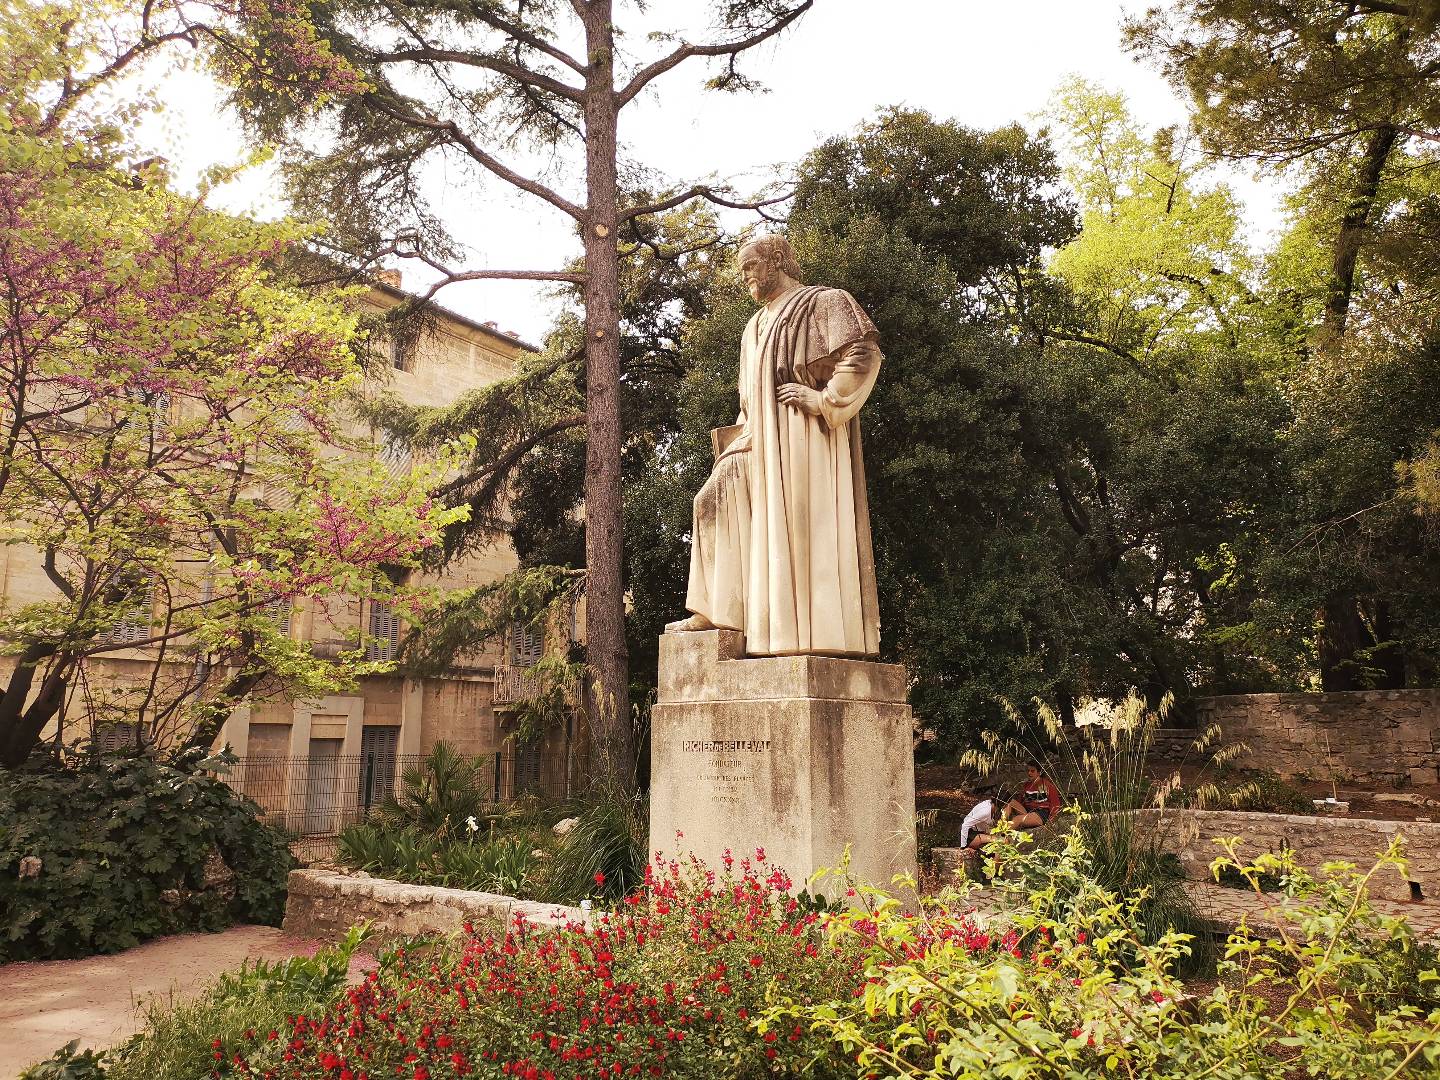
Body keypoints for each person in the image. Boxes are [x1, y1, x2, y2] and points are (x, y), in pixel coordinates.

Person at [664, 234, 883, 656]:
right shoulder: (753, 327)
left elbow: (864, 352)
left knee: (803, 537)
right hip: (759, 439)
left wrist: (824, 400)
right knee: (710, 501)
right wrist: (738, 440)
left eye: (750, 266)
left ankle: (806, 636)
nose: (744, 276)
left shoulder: (823, 302)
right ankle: (718, 611)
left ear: (777, 260)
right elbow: (750, 399)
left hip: (807, 443)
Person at [1002, 762, 1062, 830]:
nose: (1029, 773)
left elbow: (1055, 804)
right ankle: (1001, 824)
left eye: (1032, 771)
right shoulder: (1026, 785)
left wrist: (1051, 820)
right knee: (1011, 802)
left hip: (1041, 813)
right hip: (1028, 811)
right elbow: (1020, 801)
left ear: (1039, 772)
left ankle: (1000, 835)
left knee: (1017, 819)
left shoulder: (1047, 785)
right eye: (1028, 771)